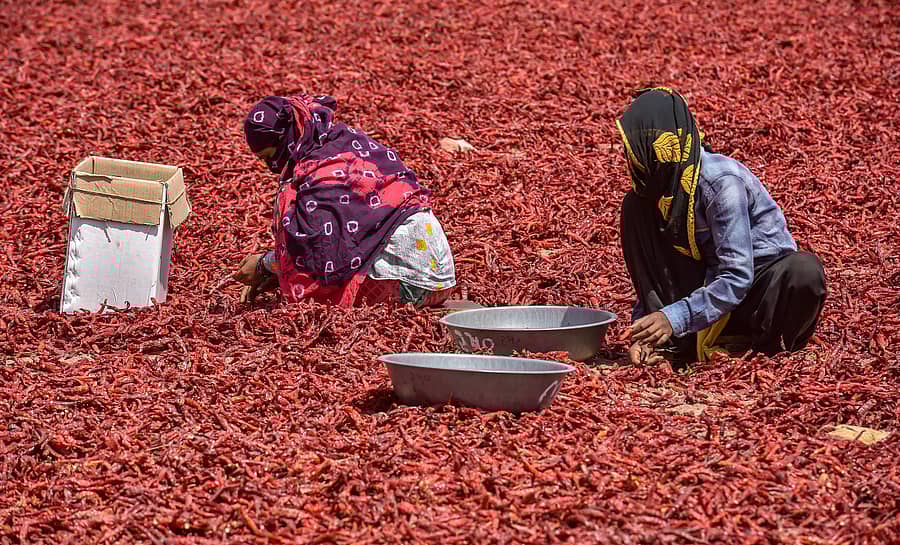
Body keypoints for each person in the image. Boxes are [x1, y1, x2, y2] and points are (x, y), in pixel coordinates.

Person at [616, 88, 826, 365]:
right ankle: (665, 345)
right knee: (635, 205)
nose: (633, 156)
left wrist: (674, 318)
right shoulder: (657, 191)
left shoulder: (721, 184)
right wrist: (646, 330)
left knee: (804, 271)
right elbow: (653, 275)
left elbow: (737, 276)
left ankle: (763, 348)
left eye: (640, 145)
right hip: (706, 287)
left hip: (756, 293)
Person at [233, 94, 456, 307]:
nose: (270, 167)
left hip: (410, 286)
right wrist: (278, 271)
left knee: (318, 290)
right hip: (441, 280)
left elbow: (320, 254)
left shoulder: (321, 173)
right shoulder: (344, 144)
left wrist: (266, 265)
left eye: (269, 156)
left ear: (286, 139)